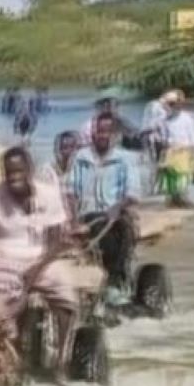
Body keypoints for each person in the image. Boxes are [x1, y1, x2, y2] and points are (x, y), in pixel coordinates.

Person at [0, 148, 76, 369]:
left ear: (30, 171)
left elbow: (57, 242)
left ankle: (62, 358)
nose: (14, 178)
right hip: (4, 258)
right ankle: (11, 357)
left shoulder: (48, 193)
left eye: (19, 172)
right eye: (9, 173)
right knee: (3, 306)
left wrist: (36, 269)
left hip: (43, 257)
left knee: (66, 294)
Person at [72, 113, 137, 291]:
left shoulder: (124, 159)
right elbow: (72, 192)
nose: (102, 135)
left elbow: (133, 194)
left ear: (115, 134)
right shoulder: (81, 157)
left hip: (115, 215)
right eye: (99, 131)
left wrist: (117, 207)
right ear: (93, 133)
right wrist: (71, 218)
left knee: (121, 231)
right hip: (88, 215)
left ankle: (115, 279)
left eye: (107, 131)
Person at [157, 91, 194, 208]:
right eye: (168, 105)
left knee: (182, 176)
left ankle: (182, 198)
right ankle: (173, 199)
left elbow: (193, 137)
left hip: (185, 150)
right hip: (171, 150)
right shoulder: (165, 121)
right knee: (170, 176)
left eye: (172, 104)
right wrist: (163, 154)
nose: (170, 107)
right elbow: (163, 139)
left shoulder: (187, 119)